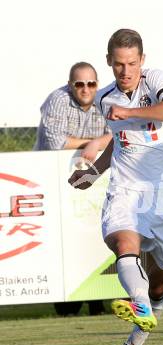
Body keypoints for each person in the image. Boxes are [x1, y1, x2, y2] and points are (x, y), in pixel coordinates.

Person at [68, 29, 163, 345]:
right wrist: (94, 172)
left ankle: (137, 337)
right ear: (109, 61)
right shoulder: (105, 97)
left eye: (132, 63)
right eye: (119, 64)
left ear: (142, 61)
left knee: (160, 282)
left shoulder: (154, 80)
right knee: (123, 244)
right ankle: (139, 307)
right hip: (126, 187)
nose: (126, 71)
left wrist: (133, 113)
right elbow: (120, 140)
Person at [34, 61, 112, 316]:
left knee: (93, 233)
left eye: (91, 83)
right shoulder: (58, 99)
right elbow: (56, 142)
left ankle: (97, 301)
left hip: (92, 177)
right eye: (80, 84)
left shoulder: (105, 99)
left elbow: (120, 133)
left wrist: (99, 141)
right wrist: (92, 143)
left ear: (97, 84)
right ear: (71, 85)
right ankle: (66, 303)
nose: (86, 89)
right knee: (62, 238)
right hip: (53, 178)